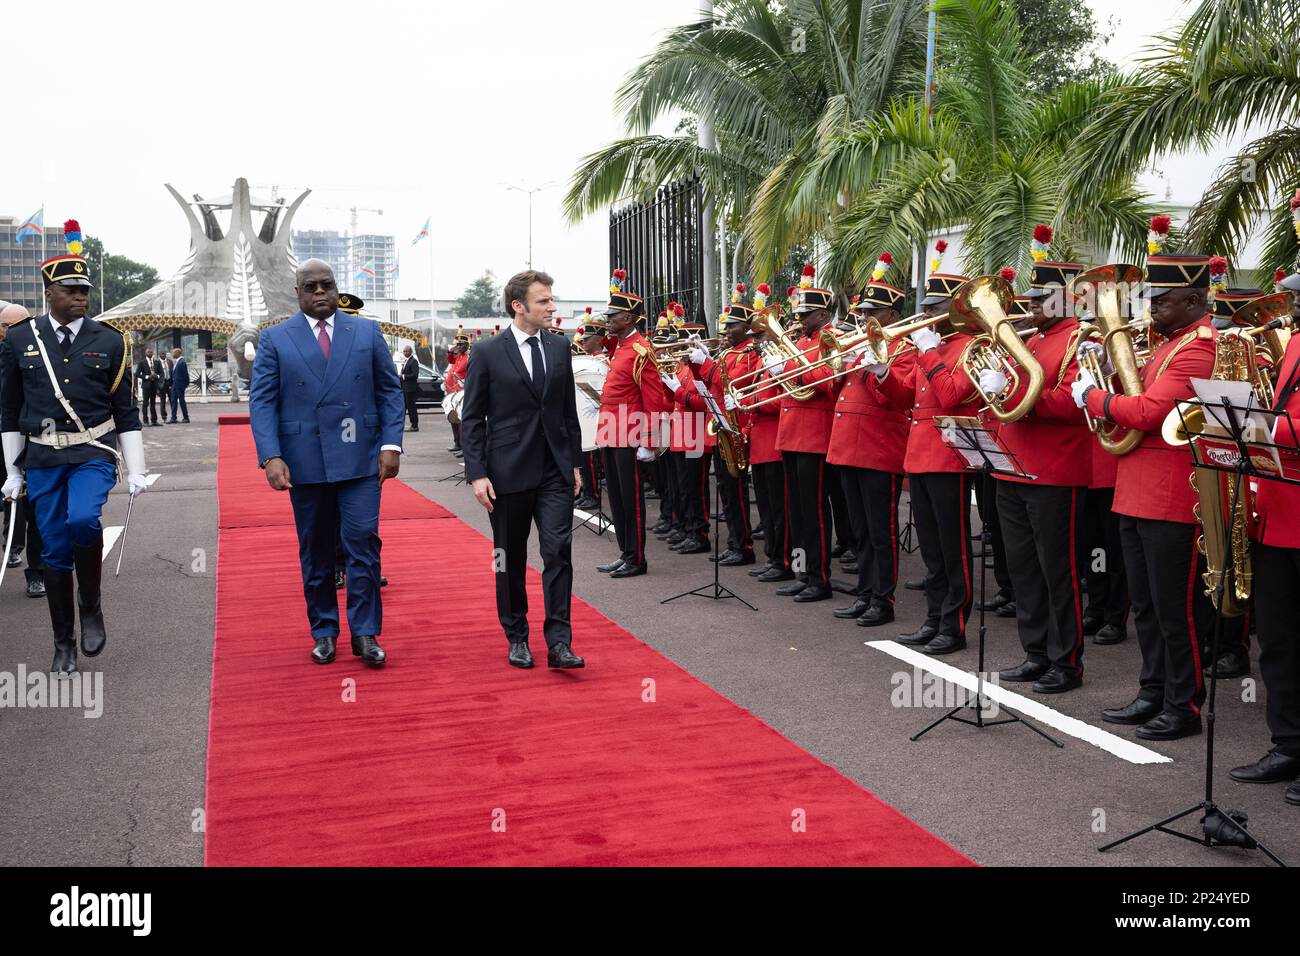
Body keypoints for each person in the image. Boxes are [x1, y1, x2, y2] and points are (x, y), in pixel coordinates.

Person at [1075, 244, 1217, 740]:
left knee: (1176, 610)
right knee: (1148, 606)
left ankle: (1183, 704)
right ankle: (1153, 690)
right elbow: (1135, 398)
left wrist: (1093, 396)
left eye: (1164, 298)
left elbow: (1149, 413)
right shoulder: (1167, 342)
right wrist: (1105, 374)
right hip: (1136, 489)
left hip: (1172, 495)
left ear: (1195, 300)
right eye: (1151, 297)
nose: (1152, 306)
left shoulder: (1199, 346)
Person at [0, 233, 148, 675]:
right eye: (72, 291)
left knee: (84, 519)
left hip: (93, 452)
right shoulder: (21, 340)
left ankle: (91, 606)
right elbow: (9, 410)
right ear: (50, 293)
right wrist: (12, 471)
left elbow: (126, 411)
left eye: (85, 290)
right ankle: (63, 641)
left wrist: (136, 468)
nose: (81, 297)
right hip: (43, 460)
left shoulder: (110, 341)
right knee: (53, 554)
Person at [249, 259, 403, 667]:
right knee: (315, 551)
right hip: (305, 463)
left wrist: (392, 444)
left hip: (361, 461)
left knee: (363, 544)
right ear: (297, 293)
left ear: (337, 289)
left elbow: (389, 391)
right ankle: (324, 631)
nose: (320, 293)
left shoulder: (367, 332)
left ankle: (366, 633)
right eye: (310, 286)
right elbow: (262, 401)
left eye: (327, 285)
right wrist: (271, 455)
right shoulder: (275, 339)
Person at [461, 270, 586, 669]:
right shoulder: (487, 352)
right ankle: (517, 635)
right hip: (506, 473)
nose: (552, 307)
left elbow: (567, 411)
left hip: (554, 471)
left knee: (558, 553)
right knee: (509, 557)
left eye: (552, 299)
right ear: (519, 306)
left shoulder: (559, 347)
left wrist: (575, 464)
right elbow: (472, 417)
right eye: (544, 301)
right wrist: (477, 473)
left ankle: (559, 643)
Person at [986, 244, 1090, 694]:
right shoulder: (1032, 338)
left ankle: (1065, 661)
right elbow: (1006, 393)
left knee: (1057, 570)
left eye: (1039, 299)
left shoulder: (1082, 340)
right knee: (1023, 566)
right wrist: (998, 385)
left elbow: (1072, 404)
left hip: (1055, 471)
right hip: (1012, 466)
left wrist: (1014, 393)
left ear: (1066, 299)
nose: (1029, 305)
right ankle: (1035, 652)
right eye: (1029, 298)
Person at [867, 263, 979, 654]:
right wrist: (881, 373)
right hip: (920, 456)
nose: (927, 315)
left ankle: (955, 623)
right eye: (927, 308)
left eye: (936, 308)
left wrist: (929, 353)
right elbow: (904, 400)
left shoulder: (969, 347)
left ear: (957, 309)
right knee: (933, 549)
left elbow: (951, 396)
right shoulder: (928, 350)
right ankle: (934, 617)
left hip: (950, 456)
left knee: (953, 547)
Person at [1232, 264, 1300, 805]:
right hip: (1281, 511)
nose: (1292, 307)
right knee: (1278, 640)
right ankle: (1288, 744)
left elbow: (1286, 423)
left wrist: (1256, 423)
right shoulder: (1295, 343)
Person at [827, 261, 913, 627]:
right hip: (848, 447)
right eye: (863, 313)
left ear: (892, 313)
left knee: (881, 531)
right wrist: (841, 367)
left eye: (873, 313)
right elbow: (837, 394)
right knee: (860, 530)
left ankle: (883, 599)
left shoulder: (904, 348)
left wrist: (879, 370)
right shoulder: (858, 344)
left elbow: (899, 398)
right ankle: (865, 593)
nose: (865, 320)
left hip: (879, 449)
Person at [594, 269, 669, 578]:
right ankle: (625, 551)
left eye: (614, 316)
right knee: (616, 496)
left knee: (631, 499)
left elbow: (654, 400)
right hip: (611, 432)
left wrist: (649, 441)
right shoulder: (621, 348)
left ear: (629, 319)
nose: (608, 320)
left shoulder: (641, 350)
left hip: (629, 434)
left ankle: (637, 557)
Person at [0, 303, 46, 598]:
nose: (11, 331)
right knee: (9, 499)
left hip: (29, 439)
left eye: (17, 325)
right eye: (6, 326)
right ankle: (11, 544)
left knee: (36, 509)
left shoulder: (40, 355)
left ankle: (36, 573)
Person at [443, 337, 469, 454]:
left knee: (462, 420)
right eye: (457, 345)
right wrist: (450, 350)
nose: (458, 347)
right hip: (452, 392)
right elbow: (450, 360)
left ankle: (464, 446)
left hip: (461, 392)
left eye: (460, 345)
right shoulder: (457, 356)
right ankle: (457, 443)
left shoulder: (468, 358)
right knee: (453, 417)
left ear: (466, 346)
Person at [135, 347, 164, 426]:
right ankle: (145, 421)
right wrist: (147, 377)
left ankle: (154, 421)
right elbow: (137, 374)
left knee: (153, 403)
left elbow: (161, 373)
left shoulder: (157, 362)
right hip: (146, 386)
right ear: (145, 353)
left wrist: (156, 376)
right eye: (148, 352)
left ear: (153, 353)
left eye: (151, 352)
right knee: (145, 403)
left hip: (154, 385)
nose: (150, 353)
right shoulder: (142, 362)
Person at [400, 344, 420, 431]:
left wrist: (403, 376)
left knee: (411, 407)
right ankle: (401, 424)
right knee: (403, 408)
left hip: (410, 389)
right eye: (404, 351)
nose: (405, 352)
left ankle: (414, 425)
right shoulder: (406, 361)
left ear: (411, 352)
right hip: (404, 389)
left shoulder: (413, 361)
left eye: (407, 351)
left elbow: (415, 375)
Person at [169, 348, 191, 423]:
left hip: (180, 386)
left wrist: (186, 384)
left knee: (182, 401)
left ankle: (186, 417)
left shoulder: (182, 362)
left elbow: (185, 374)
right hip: (174, 385)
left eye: (173, 352)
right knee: (173, 402)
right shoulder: (176, 362)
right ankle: (173, 418)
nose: (172, 354)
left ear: (178, 353)